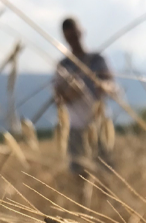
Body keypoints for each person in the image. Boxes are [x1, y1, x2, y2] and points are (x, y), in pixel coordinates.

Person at [53, 17, 115, 176]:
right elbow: (57, 98)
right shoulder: (63, 66)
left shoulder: (97, 59)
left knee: (104, 172)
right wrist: (71, 94)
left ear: (81, 32)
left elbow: (111, 84)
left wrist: (104, 87)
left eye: (74, 34)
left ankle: (103, 200)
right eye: (69, 37)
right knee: (79, 174)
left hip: (100, 123)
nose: (72, 39)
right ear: (65, 38)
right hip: (75, 126)